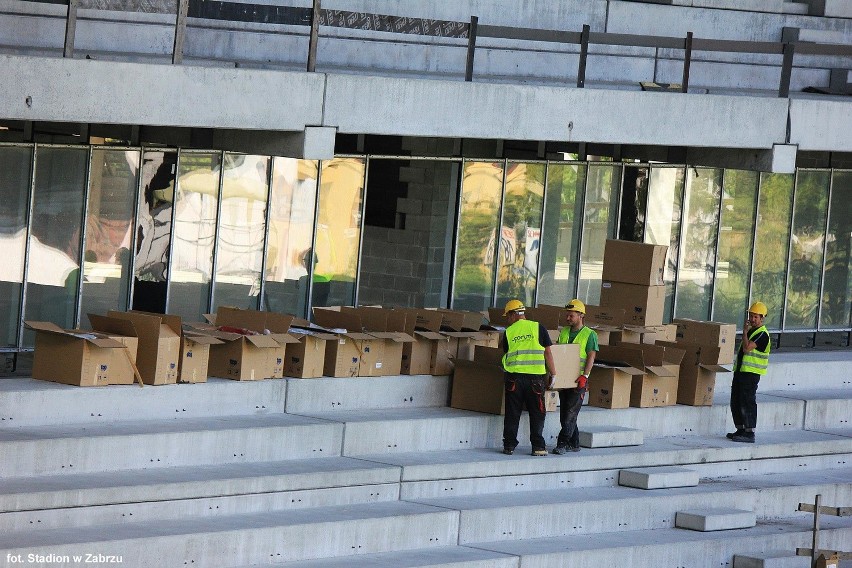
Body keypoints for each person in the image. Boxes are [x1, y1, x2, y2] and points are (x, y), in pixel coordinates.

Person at [500, 299, 558, 457]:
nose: (507, 320)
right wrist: (553, 374)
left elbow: (506, 353)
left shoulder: (509, 332)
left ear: (513, 314)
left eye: (508, 316)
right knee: (537, 413)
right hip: (535, 380)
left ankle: (509, 446)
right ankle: (538, 447)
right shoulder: (538, 327)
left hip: (514, 379)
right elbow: (548, 353)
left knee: (512, 413)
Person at [552, 299, 598, 454]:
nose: (568, 318)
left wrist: (585, 376)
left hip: (578, 380)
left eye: (571, 315)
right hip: (565, 379)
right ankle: (575, 443)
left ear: (581, 315)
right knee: (566, 413)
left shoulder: (589, 334)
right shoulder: (564, 331)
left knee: (569, 415)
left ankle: (562, 444)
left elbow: (591, 356)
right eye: (567, 315)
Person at [727, 301, 771, 443]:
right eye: (751, 316)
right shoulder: (752, 331)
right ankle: (740, 429)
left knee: (747, 401)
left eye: (755, 317)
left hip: (751, 374)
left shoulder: (762, 334)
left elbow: (747, 348)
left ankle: (749, 432)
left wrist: (745, 332)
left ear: (762, 318)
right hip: (741, 371)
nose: (752, 319)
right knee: (736, 400)